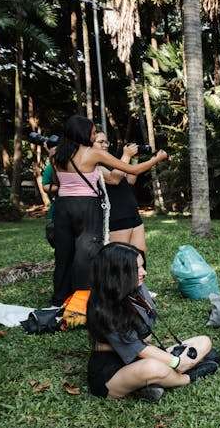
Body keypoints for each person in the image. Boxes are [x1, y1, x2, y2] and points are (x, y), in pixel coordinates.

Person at [51, 115, 167, 307]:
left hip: (63, 206)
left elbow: (57, 182)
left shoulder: (56, 154)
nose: (95, 135)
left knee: (63, 253)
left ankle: (59, 298)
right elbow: (134, 171)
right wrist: (157, 159)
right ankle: (85, 301)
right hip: (86, 207)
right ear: (83, 132)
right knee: (86, 253)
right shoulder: (92, 153)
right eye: (93, 132)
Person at [86, 243, 217, 402]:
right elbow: (139, 348)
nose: (144, 272)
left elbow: (146, 334)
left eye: (142, 266)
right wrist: (177, 362)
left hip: (142, 356)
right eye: (137, 269)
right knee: (153, 368)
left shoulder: (135, 289)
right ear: (118, 273)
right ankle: (188, 376)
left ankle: (152, 385)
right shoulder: (104, 309)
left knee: (204, 341)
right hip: (112, 374)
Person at [99, 137, 148, 253]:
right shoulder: (93, 165)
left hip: (131, 211)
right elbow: (115, 179)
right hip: (117, 214)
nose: (105, 145)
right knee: (120, 256)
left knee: (140, 253)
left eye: (106, 141)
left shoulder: (113, 161)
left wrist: (134, 159)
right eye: (101, 142)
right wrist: (126, 155)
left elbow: (131, 180)